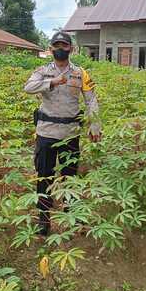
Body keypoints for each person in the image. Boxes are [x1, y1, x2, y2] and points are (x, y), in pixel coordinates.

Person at [24, 31, 101, 236]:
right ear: (50, 49)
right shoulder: (42, 71)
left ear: (71, 49)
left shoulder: (80, 73)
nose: (60, 48)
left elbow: (91, 99)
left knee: (69, 175)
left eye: (64, 45)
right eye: (56, 45)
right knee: (44, 176)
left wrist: (95, 126)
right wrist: (52, 82)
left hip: (70, 133)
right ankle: (44, 219)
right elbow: (28, 87)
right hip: (46, 132)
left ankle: (71, 215)